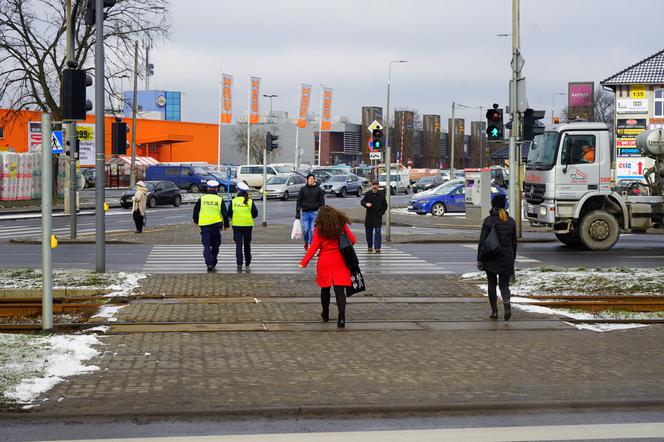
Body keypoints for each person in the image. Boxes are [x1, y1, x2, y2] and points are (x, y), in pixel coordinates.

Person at [299, 205, 355, 328]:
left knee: (325, 289)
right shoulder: (341, 226)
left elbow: (313, 247)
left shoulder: (319, 229)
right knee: (340, 291)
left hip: (325, 261)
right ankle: (341, 318)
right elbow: (353, 240)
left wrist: (304, 262)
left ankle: (325, 313)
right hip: (341, 261)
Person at [477, 194, 517, 321]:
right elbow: (514, 243)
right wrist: (512, 259)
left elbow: (482, 241)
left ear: (493, 205)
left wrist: (479, 258)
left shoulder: (489, 221)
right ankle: (506, 303)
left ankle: (494, 311)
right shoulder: (511, 221)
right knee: (504, 285)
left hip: (491, 257)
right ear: (504, 206)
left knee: (492, 283)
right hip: (507, 258)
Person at [192, 180, 229, 272]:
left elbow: (196, 211)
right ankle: (212, 261)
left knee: (207, 245)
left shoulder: (202, 198)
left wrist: (196, 221)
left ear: (208, 188)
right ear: (216, 189)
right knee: (216, 245)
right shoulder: (219, 199)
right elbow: (224, 213)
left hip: (204, 225)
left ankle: (209, 263)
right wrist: (226, 225)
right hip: (216, 225)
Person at [228, 181, 258, 272]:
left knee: (238, 245)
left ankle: (239, 263)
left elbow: (229, 214)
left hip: (237, 225)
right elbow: (255, 214)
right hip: (248, 225)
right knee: (247, 244)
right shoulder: (250, 201)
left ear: (238, 190)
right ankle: (248, 261)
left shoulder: (234, 201)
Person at [295, 174, 325, 251]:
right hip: (305, 213)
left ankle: (311, 245)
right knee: (305, 229)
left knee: (312, 230)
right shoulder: (303, 189)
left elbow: (322, 202)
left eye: (312, 179)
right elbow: (298, 201)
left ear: (314, 180)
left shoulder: (319, 190)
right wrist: (297, 212)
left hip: (314, 213)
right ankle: (306, 242)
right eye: (309, 179)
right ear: (307, 180)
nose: (311, 180)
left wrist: (322, 213)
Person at [360, 180, 387, 253]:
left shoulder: (381, 195)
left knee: (378, 232)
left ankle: (377, 247)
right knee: (368, 232)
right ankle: (369, 246)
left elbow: (385, 206)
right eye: (373, 185)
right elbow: (362, 202)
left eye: (376, 185)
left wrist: (381, 213)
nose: (374, 187)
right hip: (369, 217)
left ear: (378, 186)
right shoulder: (368, 194)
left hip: (377, 217)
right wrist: (366, 204)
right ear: (371, 186)